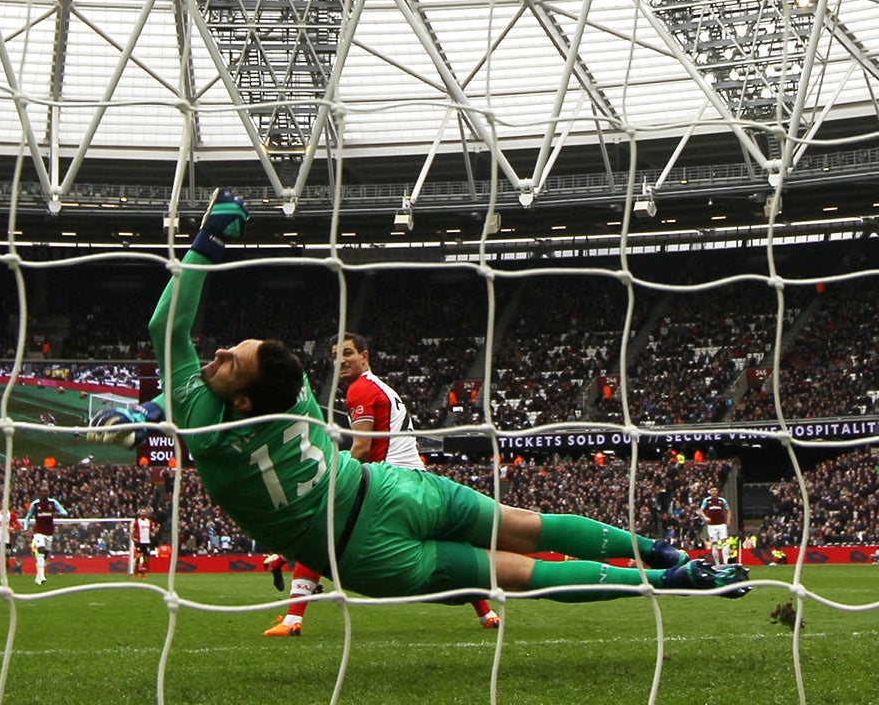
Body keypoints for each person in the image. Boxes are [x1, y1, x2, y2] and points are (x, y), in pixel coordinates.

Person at [153, 196, 746, 605]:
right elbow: (189, 342)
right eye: (229, 355)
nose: (220, 353)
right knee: (528, 533)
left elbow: (166, 328)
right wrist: (213, 238)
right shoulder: (299, 388)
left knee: (519, 571)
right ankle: (670, 558)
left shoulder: (204, 416)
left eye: (232, 354)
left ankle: (669, 577)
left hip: (364, 550)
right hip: (390, 490)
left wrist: (148, 410)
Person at [254, 334, 497, 638]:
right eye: (334, 355)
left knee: (321, 527)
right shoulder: (381, 388)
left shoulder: (360, 389)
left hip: (391, 482)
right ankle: (487, 613)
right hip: (417, 480)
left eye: (347, 353)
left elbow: (362, 448)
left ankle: (292, 617)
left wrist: (333, 470)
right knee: (450, 544)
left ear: (365, 356)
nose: (340, 360)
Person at [27, 492, 66, 585]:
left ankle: (38, 575)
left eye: (46, 492)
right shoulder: (35, 504)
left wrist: (59, 514)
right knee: (41, 550)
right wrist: (25, 528)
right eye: (42, 492)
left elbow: (65, 512)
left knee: (44, 554)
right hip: (38, 531)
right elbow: (28, 516)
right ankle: (42, 576)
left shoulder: (53, 503)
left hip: (49, 532)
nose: (44, 494)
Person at [698, 487, 733, 566]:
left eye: (715, 491)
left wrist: (728, 521)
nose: (713, 492)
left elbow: (728, 510)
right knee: (714, 544)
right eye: (712, 491)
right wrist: (705, 517)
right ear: (710, 492)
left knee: (724, 542)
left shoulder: (722, 500)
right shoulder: (706, 501)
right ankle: (717, 564)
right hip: (712, 526)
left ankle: (725, 562)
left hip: (721, 524)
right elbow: (701, 510)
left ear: (717, 492)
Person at [132, 512, 156, 577]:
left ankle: (140, 571)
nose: (143, 515)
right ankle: (139, 572)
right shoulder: (137, 521)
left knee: (145, 557)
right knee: (140, 556)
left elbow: (152, 531)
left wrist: (153, 533)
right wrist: (133, 538)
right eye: (142, 513)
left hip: (147, 541)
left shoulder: (149, 522)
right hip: (140, 541)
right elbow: (133, 530)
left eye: (144, 513)